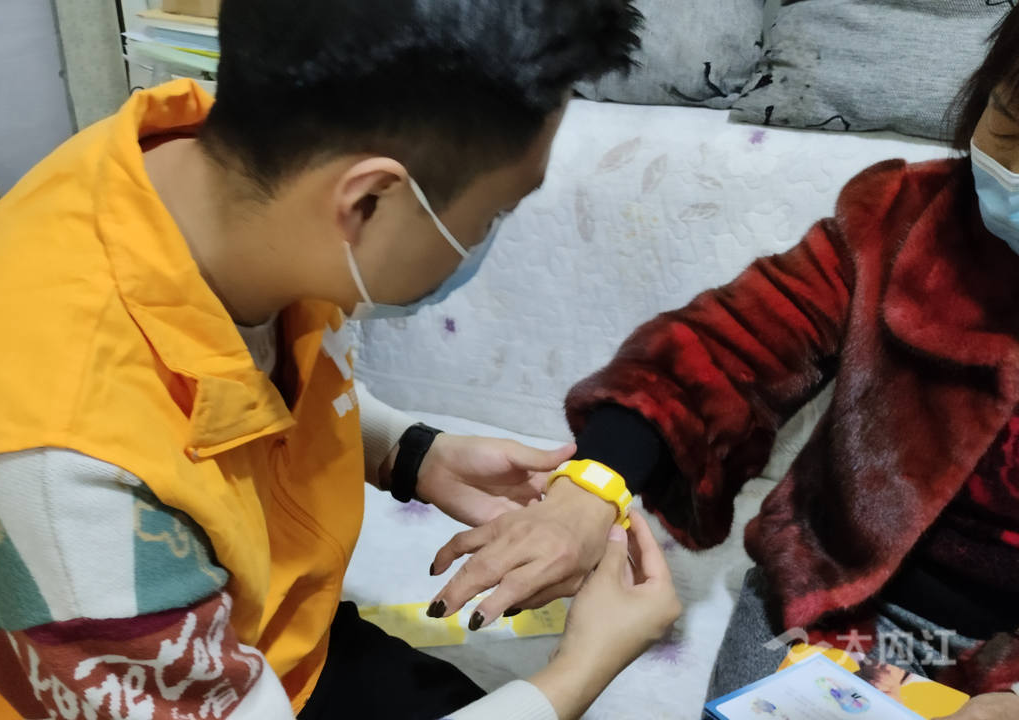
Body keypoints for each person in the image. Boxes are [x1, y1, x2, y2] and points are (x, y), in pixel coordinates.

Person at [0, 1, 681, 719]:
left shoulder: (195, 177)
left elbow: (225, 394)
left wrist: (410, 453)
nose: (486, 239)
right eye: (493, 215)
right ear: (367, 202)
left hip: (265, 647)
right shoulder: (48, 475)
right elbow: (126, 447)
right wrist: (582, 668)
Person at [425, 8, 1019, 718]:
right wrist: (592, 483)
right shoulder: (902, 216)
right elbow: (723, 345)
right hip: (832, 593)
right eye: (1010, 120)